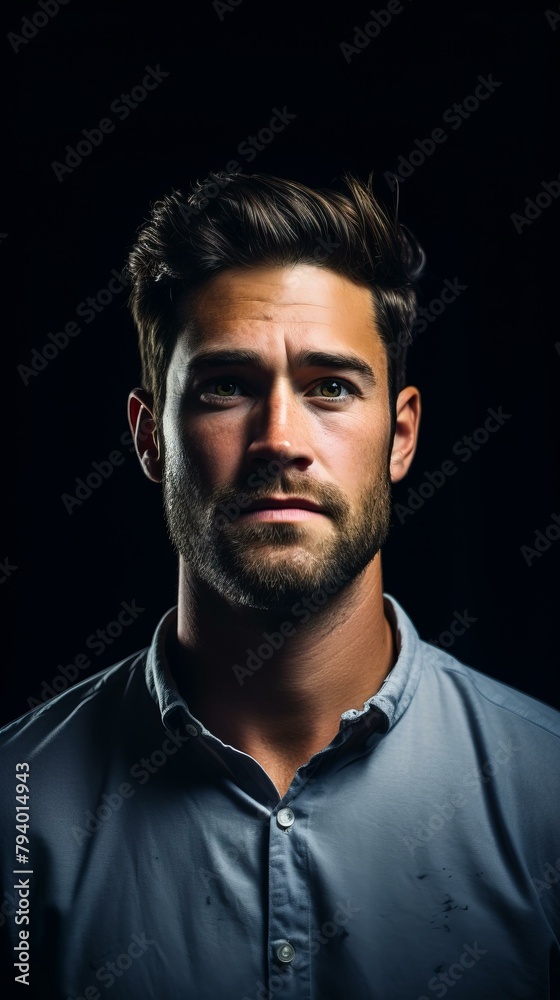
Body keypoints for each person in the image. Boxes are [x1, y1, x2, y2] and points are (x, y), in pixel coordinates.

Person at [1, 172, 559, 1000]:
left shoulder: (545, 791)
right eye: (227, 385)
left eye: (331, 386)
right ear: (151, 437)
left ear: (401, 436)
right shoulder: (16, 806)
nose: (279, 439)